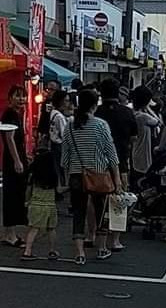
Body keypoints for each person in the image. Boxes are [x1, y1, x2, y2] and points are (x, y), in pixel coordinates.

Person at [62, 88, 121, 264]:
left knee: (79, 213)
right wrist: (117, 180)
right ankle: (102, 248)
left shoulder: (70, 125)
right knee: (100, 212)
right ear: (95, 105)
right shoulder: (100, 125)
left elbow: (65, 156)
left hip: (76, 175)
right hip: (98, 175)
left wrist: (66, 177)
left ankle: (79, 253)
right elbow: (112, 155)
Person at [96, 78, 138, 250]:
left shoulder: (96, 112)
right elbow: (134, 137)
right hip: (120, 162)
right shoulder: (127, 113)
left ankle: (92, 235)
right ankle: (115, 240)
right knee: (118, 202)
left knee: (96, 201)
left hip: (97, 163)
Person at [0, 85, 28, 247]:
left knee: (15, 194)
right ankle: (10, 234)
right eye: (17, 96)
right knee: (12, 195)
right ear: (10, 98)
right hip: (12, 159)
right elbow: (9, 139)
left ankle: (8, 233)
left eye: (23, 96)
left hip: (15, 157)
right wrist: (17, 160)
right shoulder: (10, 114)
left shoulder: (16, 114)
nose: (21, 99)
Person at [21, 149, 59, 261]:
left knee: (33, 229)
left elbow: (28, 189)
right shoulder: (53, 175)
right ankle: (52, 250)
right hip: (50, 205)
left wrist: (26, 201)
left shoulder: (33, 174)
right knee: (51, 229)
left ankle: (27, 251)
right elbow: (59, 190)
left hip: (36, 204)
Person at [131, 85, 160, 188]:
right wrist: (147, 108)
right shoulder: (144, 117)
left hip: (133, 155)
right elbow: (158, 122)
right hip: (143, 158)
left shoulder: (131, 113)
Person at [48, 89, 69, 192]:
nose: (67, 103)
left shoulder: (53, 112)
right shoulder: (59, 117)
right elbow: (64, 133)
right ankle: (61, 187)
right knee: (61, 167)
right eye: (66, 100)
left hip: (53, 143)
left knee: (56, 167)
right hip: (59, 144)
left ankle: (58, 186)